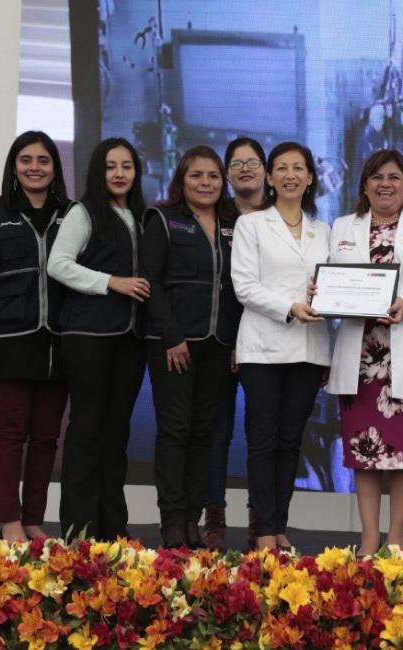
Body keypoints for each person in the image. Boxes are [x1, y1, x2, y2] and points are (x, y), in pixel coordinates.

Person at [326, 149, 403, 554]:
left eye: (394, 177)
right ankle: (367, 538)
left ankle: (396, 537)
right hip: (360, 359)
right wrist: (322, 292)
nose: (385, 184)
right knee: (364, 451)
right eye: (376, 177)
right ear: (364, 185)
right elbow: (332, 276)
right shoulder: (344, 225)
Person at [0, 131, 71, 543]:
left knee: (47, 436)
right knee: (12, 431)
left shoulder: (73, 214)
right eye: (26, 159)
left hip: (61, 341)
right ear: (14, 166)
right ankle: (8, 520)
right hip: (9, 338)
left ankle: (33, 520)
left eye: (43, 160)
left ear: (54, 168)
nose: (34, 167)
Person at [230, 141, 331, 551]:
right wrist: (289, 306)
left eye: (299, 168)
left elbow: (337, 283)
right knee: (264, 439)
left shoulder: (324, 231)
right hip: (263, 348)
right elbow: (244, 286)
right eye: (282, 168)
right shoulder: (251, 225)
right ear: (269, 177)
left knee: (292, 441)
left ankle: (279, 524)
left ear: (309, 178)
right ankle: (263, 528)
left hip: (309, 350)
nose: (290, 175)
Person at [48, 137, 149, 540]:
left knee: (117, 432)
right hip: (87, 334)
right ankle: (78, 530)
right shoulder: (83, 212)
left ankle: (113, 530)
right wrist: (113, 282)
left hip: (130, 338)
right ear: (97, 171)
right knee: (87, 429)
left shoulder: (143, 216)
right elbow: (58, 265)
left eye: (127, 166)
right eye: (111, 166)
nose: (120, 174)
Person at [141, 146, 242, 548]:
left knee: (204, 432)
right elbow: (150, 282)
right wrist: (172, 337)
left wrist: (236, 341)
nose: (205, 183)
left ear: (223, 182)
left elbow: (240, 288)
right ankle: (171, 518)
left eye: (213, 176)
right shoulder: (163, 220)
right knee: (175, 430)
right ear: (181, 180)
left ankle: (192, 517)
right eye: (196, 175)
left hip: (219, 345)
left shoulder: (234, 225)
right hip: (174, 345)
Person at [203, 136, 267, 549]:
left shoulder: (284, 216)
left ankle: (262, 518)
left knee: (264, 435)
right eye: (236, 162)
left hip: (269, 342)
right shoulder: (213, 215)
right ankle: (214, 514)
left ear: (265, 169)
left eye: (253, 161)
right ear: (227, 173)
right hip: (219, 340)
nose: (245, 168)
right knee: (217, 431)